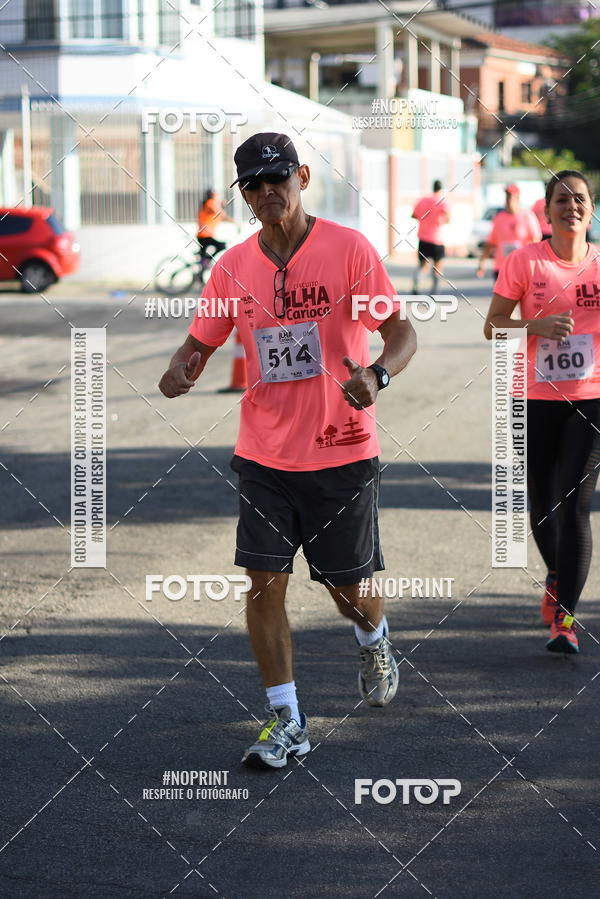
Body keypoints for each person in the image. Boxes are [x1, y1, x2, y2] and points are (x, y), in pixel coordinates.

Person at [159, 132, 417, 768]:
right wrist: (181, 367)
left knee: (347, 586)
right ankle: (287, 719)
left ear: (302, 176)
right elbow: (200, 341)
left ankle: (373, 634)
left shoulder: (347, 249)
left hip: (341, 451)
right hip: (265, 454)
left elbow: (401, 331)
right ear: (243, 195)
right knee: (263, 582)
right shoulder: (233, 267)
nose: (267, 191)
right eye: (254, 184)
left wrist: (378, 375)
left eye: (278, 178)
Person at [484, 170, 600, 654]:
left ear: (591, 209)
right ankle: (556, 572)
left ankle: (565, 620)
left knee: (575, 504)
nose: (570, 206)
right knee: (541, 506)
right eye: (561, 199)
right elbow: (493, 328)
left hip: (591, 397)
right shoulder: (524, 262)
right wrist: (535, 325)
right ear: (546, 210)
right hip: (532, 397)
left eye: (580, 199)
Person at [477, 184, 541, 280]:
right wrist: (482, 262)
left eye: (512, 196)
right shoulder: (499, 218)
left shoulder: (527, 216)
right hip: (501, 267)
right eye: (507, 196)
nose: (509, 199)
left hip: (521, 267)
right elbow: (491, 242)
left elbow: (536, 240)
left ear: (518, 198)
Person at [411, 179, 449, 294]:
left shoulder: (422, 200)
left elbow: (413, 215)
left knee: (422, 265)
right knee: (437, 268)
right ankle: (434, 294)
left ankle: (416, 285)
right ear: (441, 188)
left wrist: (424, 219)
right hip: (437, 239)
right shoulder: (442, 201)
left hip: (423, 238)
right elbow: (448, 217)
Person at [197, 189, 234, 261]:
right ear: (213, 195)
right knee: (222, 246)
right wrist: (236, 223)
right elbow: (220, 213)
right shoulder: (210, 202)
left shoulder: (208, 203)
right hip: (205, 235)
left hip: (203, 235)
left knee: (203, 258)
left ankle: (204, 263)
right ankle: (207, 261)